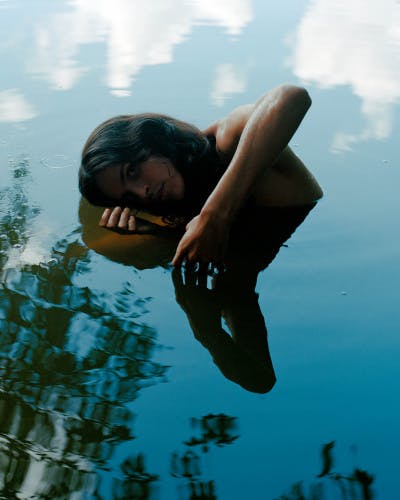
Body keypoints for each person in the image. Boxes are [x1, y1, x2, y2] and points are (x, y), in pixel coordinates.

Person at [79, 84, 323, 270]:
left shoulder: (225, 143)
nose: (143, 192)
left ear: (151, 140)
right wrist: (160, 233)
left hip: (320, 244)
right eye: (129, 197)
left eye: (132, 171)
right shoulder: (184, 200)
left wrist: (216, 215)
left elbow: (291, 97)